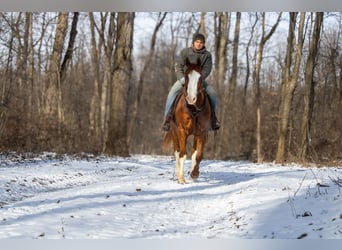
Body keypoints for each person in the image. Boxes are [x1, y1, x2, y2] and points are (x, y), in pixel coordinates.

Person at [162, 33, 220, 131]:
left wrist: (199, 78)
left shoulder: (207, 55)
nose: (199, 44)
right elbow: (178, 65)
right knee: (172, 93)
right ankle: (167, 119)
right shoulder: (185, 52)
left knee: (213, 94)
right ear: (193, 42)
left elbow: (207, 68)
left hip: (198, 81)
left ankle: (213, 120)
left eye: (201, 42)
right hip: (184, 79)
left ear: (203, 44)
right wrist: (181, 78)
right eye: (197, 42)